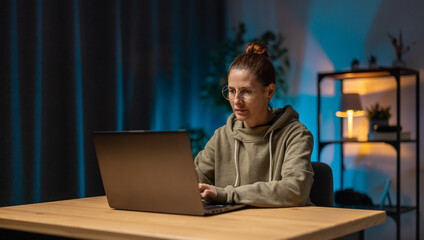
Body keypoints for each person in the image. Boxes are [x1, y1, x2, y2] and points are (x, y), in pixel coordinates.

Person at [195, 41, 314, 207]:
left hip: (284, 227)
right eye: (231, 91)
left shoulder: (296, 135)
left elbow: (295, 190)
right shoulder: (222, 136)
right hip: (234, 227)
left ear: (269, 91)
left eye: (247, 92)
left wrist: (226, 194)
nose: (237, 101)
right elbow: (191, 183)